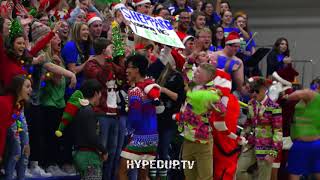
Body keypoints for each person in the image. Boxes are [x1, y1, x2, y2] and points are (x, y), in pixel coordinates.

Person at [118, 54, 161, 180]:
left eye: (129, 67)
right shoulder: (150, 87)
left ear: (137, 70)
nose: (126, 70)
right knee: (143, 175)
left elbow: (135, 118)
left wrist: (129, 131)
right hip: (153, 138)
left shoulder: (135, 91)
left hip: (139, 138)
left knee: (122, 172)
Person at [236, 77, 283, 180]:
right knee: (239, 172)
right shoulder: (251, 104)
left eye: (256, 91)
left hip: (266, 148)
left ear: (264, 89)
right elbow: (248, 123)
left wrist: (272, 153)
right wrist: (242, 136)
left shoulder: (274, 107)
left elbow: (278, 132)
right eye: (251, 91)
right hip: (251, 144)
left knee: (263, 177)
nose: (253, 94)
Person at [285, 78, 320, 180]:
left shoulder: (313, 95)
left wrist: (285, 97)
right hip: (316, 143)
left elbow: (301, 93)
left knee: (294, 172)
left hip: (303, 143)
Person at [72, 79, 108, 180]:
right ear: (96, 93)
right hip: (89, 158)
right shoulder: (89, 111)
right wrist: (104, 151)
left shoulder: (80, 109)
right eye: (100, 93)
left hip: (80, 155)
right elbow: (92, 136)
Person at [0, 75, 32, 180]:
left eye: (31, 86)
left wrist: (26, 142)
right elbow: (1, 130)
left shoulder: (19, 105)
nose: (31, 89)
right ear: (18, 88)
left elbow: (13, 122)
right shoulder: (5, 103)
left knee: (21, 150)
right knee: (16, 150)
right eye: (27, 86)